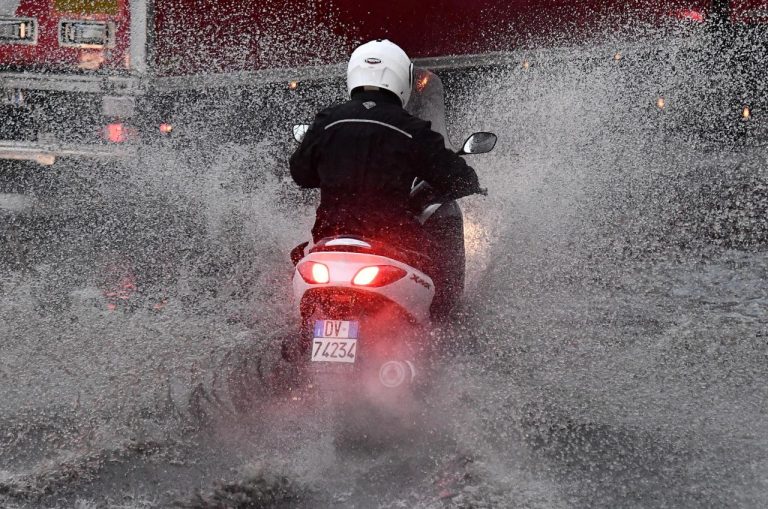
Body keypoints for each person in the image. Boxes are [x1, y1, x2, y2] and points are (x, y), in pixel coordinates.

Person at [289, 39, 483, 314]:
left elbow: (300, 174)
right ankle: (443, 332)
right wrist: (471, 183)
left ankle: (296, 344)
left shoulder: (327, 121)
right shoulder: (412, 129)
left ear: (353, 73)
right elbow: (455, 177)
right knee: (436, 275)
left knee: (299, 267)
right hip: (392, 239)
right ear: (401, 77)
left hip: (330, 238)